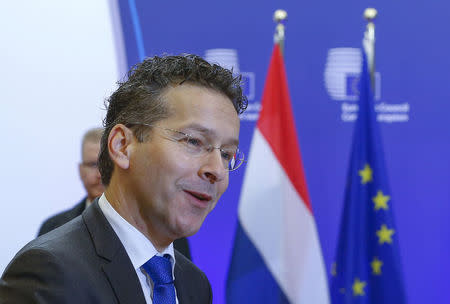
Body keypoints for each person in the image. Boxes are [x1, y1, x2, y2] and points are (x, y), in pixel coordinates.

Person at [0, 54, 247, 304]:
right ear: (122, 145)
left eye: (226, 154)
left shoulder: (194, 284)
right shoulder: (50, 273)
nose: (217, 170)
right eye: (194, 141)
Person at [36, 127, 192, 260]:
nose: (100, 173)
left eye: (106, 163)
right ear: (80, 171)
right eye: (92, 165)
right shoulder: (52, 229)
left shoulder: (164, 231)